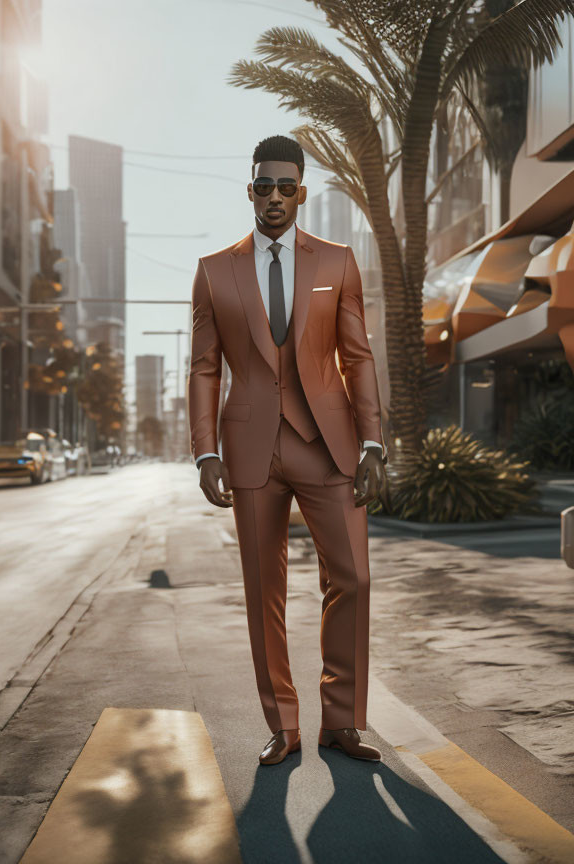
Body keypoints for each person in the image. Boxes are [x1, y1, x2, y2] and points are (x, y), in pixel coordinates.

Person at [187, 134, 387, 765]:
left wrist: (374, 441)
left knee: (352, 577)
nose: (274, 196)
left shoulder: (337, 262)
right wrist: (204, 451)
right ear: (250, 190)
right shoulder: (215, 270)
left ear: (302, 191)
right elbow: (203, 369)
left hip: (328, 446)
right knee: (262, 587)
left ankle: (342, 720)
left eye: (286, 186)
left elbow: (356, 356)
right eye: (263, 186)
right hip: (249, 448)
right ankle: (284, 723)